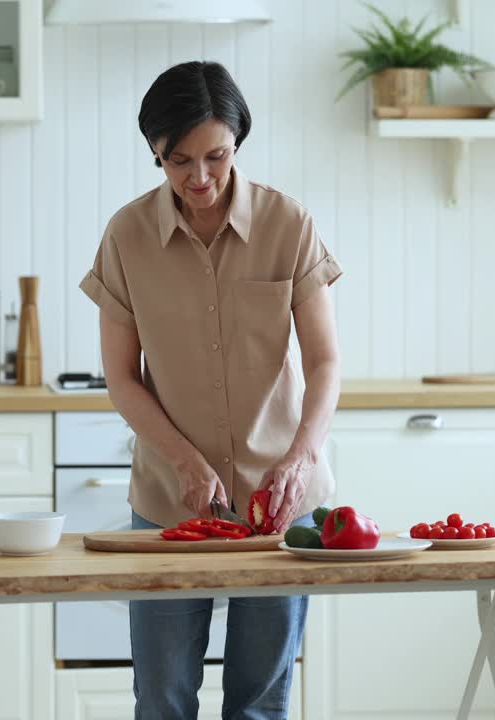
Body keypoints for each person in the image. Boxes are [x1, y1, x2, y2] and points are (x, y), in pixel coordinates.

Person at [78, 60, 343, 720]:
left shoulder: (289, 224)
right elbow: (121, 377)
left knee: (259, 703)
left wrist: (300, 457)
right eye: (179, 161)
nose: (200, 178)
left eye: (216, 156)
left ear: (238, 143)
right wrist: (184, 461)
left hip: (279, 505)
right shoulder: (127, 236)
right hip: (171, 502)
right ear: (156, 155)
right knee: (163, 702)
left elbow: (326, 362)